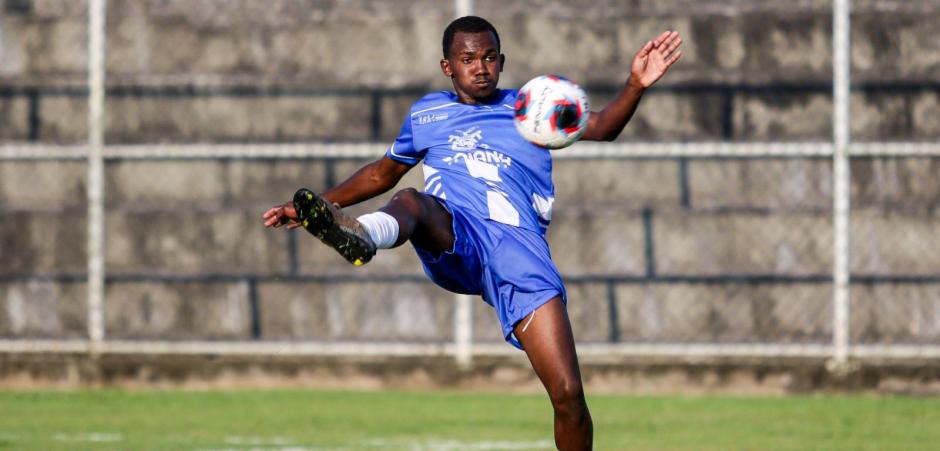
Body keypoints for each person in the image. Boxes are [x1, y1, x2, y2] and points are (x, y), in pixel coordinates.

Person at [263, 16, 682, 451]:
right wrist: (323, 206)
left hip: (519, 257)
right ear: (448, 66)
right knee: (413, 200)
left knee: (569, 396)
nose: (480, 67)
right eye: (468, 59)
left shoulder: (531, 107)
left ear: (501, 61)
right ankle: (362, 235)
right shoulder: (428, 113)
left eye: (488, 57)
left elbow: (604, 127)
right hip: (455, 235)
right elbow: (381, 174)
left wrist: (636, 83)